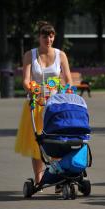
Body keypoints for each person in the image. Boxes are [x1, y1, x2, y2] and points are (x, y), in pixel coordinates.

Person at [15, 21, 73, 185]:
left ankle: (58, 177)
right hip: (36, 104)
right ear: (39, 37)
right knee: (37, 143)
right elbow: (26, 81)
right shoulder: (30, 55)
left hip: (55, 105)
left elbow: (68, 80)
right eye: (45, 35)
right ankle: (39, 178)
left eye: (51, 35)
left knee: (58, 141)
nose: (48, 38)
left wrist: (67, 94)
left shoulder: (60, 55)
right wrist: (33, 91)